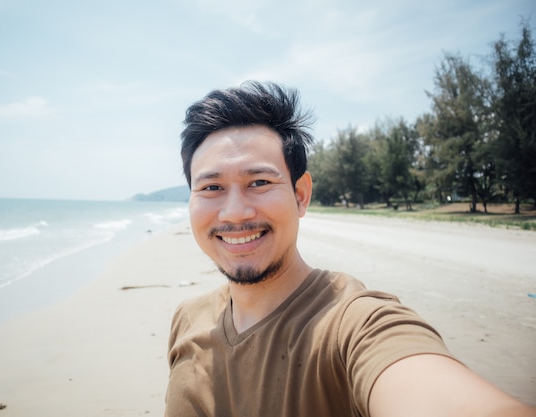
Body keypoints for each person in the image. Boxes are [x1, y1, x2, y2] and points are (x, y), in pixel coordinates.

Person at [165, 81, 536, 417]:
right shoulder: (188, 318)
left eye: (259, 181)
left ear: (300, 196)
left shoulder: (354, 325)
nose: (234, 212)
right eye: (211, 188)